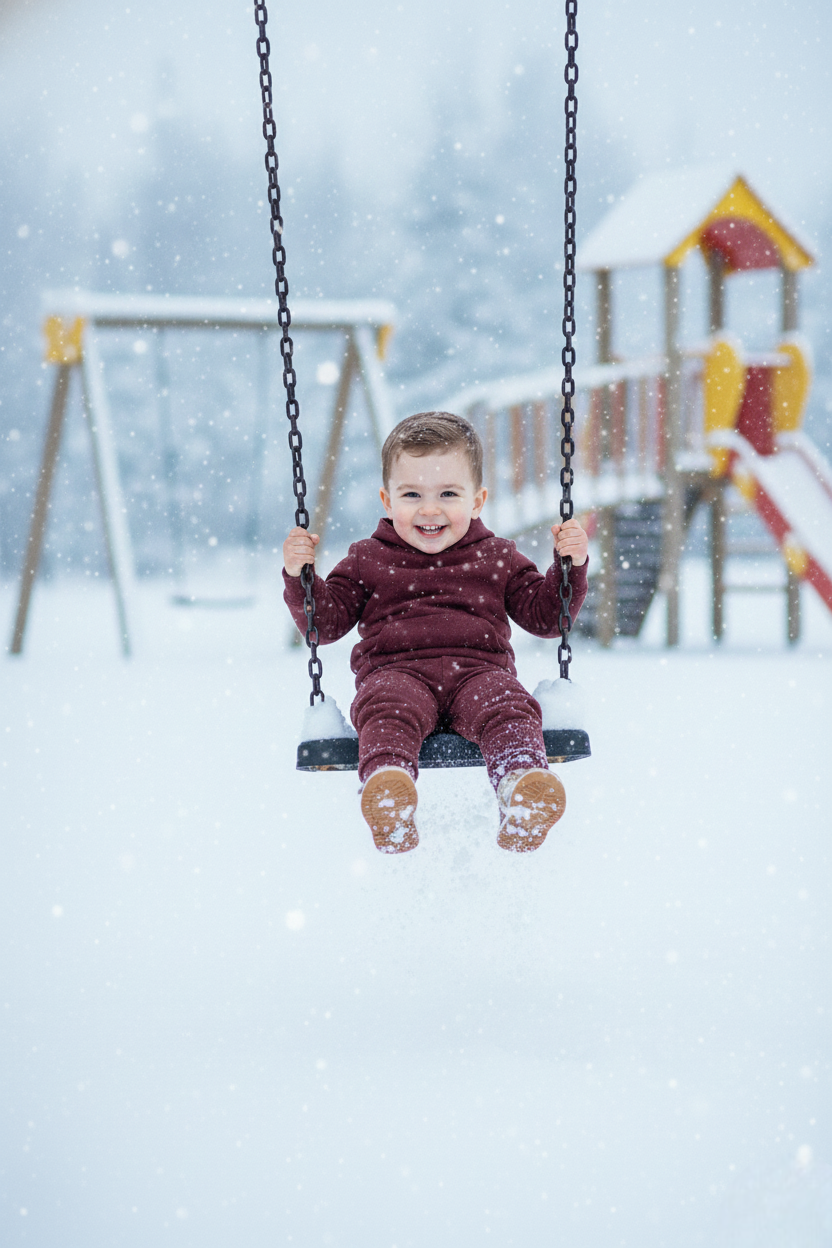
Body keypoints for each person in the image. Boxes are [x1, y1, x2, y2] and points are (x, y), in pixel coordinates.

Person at [283, 411, 588, 856]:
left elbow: (547, 618)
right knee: (386, 708)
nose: (429, 508)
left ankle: (523, 789)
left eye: (448, 493)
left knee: (509, 706)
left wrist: (569, 567)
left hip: (480, 675)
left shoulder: (497, 556)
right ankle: (390, 793)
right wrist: (301, 576)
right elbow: (323, 625)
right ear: (387, 501)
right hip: (397, 674)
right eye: (412, 494)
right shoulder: (368, 559)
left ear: (478, 500)